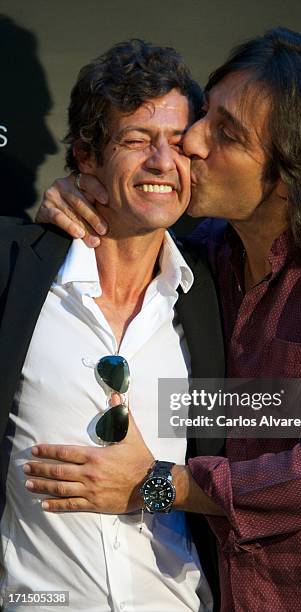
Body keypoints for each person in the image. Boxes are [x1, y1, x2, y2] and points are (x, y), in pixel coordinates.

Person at [28, 28, 301, 611]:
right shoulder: (207, 253)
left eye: (226, 134)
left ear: (290, 173)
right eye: (205, 116)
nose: (191, 143)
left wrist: (158, 484)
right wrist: (81, 193)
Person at [0, 39, 225, 611]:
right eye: (135, 141)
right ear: (85, 155)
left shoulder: (217, 288)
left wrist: (154, 483)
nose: (162, 162)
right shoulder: (12, 270)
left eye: (179, 143)